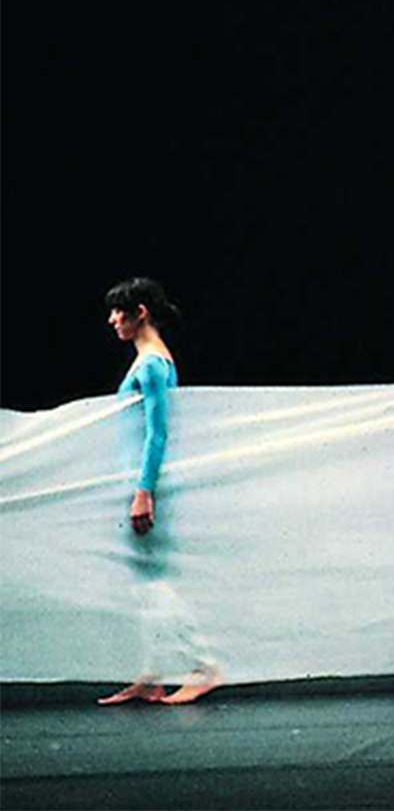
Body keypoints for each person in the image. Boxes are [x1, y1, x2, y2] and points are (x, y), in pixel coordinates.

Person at [96, 277, 223, 706]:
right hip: (135, 479)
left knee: (154, 581)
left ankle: (203, 666)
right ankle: (151, 674)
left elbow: (158, 433)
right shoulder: (149, 361)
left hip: (145, 483)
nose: (113, 319)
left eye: (119, 311)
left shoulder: (152, 363)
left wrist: (143, 490)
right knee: (142, 580)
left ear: (140, 313)